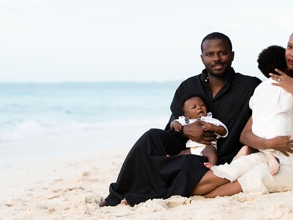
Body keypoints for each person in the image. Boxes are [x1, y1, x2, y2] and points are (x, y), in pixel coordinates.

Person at [100, 32, 260, 207]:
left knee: (186, 164)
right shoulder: (188, 86)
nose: (216, 58)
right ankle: (115, 196)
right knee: (151, 136)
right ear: (202, 58)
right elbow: (173, 125)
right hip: (187, 147)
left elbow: (263, 120)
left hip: (219, 156)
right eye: (210, 54)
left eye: (222, 53)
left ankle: (145, 191)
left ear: (232, 55)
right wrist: (185, 131)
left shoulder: (250, 86)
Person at [190, 26, 293, 198]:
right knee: (234, 169)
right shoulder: (275, 85)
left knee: (258, 174)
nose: (292, 53)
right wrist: (269, 143)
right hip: (274, 154)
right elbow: (245, 135)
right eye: (289, 47)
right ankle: (178, 191)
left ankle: (204, 198)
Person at [208, 45, 293, 177]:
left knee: (260, 149)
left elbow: (253, 104)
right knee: (291, 157)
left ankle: (249, 148)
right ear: (287, 66)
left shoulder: (260, 88)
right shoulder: (291, 85)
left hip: (259, 134)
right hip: (279, 135)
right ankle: (274, 158)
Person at [170, 95, 228, 166]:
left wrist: (214, 127)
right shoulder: (186, 121)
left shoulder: (209, 119)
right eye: (194, 107)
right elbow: (173, 123)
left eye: (202, 105)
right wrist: (175, 124)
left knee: (211, 153)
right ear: (187, 115)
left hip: (208, 145)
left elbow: (224, 131)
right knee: (183, 153)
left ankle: (212, 165)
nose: (199, 107)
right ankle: (171, 160)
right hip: (193, 147)